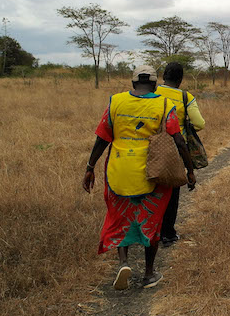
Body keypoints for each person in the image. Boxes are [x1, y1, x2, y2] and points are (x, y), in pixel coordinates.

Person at [82, 65, 196, 290]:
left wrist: (90, 166)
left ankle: (124, 262)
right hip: (151, 172)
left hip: (119, 169)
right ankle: (149, 274)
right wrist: (190, 170)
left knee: (119, 216)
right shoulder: (164, 104)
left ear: (133, 83)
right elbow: (179, 140)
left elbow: (102, 138)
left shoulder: (115, 102)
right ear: (155, 84)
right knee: (151, 219)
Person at [155, 61, 206, 245]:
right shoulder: (186, 97)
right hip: (176, 149)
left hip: (151, 148)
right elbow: (199, 123)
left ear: (163, 76)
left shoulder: (152, 93)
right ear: (180, 79)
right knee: (172, 192)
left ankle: (151, 230)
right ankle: (168, 233)